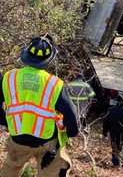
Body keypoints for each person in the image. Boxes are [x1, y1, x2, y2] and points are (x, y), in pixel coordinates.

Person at [0, 33, 78, 177]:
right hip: (46, 142)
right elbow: (71, 114)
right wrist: (71, 133)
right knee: (54, 170)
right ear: (49, 60)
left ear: (26, 54)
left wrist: (5, 121)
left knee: (9, 171)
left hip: (18, 139)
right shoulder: (54, 84)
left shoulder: (8, 78)